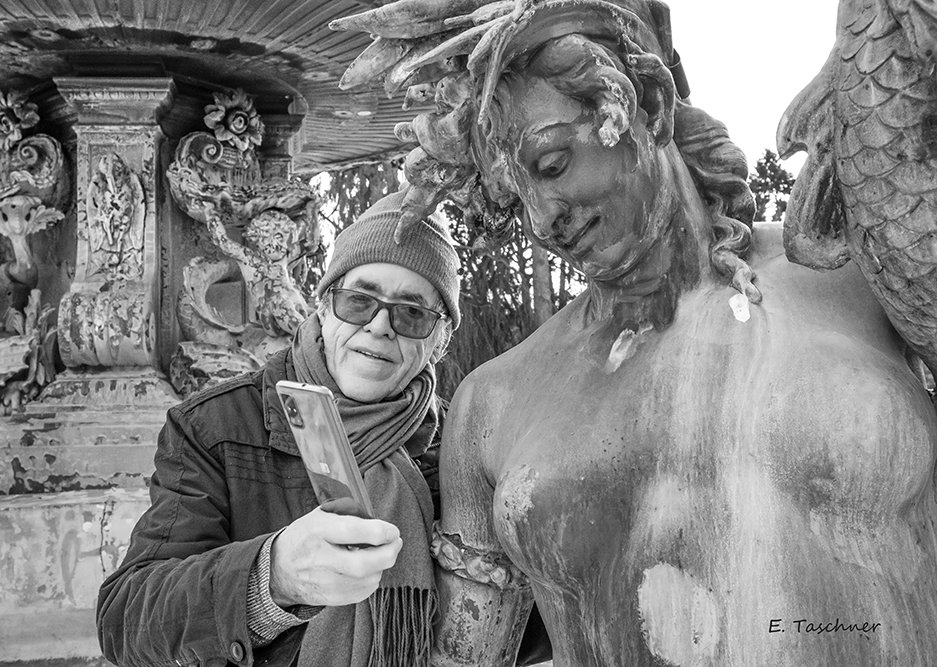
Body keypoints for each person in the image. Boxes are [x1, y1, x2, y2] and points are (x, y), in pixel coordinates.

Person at [333, 1, 937, 665]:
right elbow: (462, 655)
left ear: (647, 105)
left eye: (554, 163)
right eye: (513, 197)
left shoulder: (863, 276)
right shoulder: (492, 404)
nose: (541, 220)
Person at [97, 188, 460, 667]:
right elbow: (126, 620)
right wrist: (275, 577)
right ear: (324, 307)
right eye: (358, 301)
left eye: (412, 313)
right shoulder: (213, 427)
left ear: (439, 339)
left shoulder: (461, 443)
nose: (379, 326)